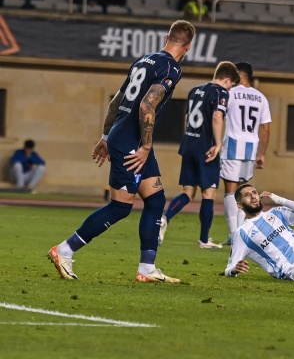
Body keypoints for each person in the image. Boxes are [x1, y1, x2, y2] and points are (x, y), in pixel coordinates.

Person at [48, 20, 196, 283]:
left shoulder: (144, 60)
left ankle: (147, 269)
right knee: (120, 207)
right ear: (189, 46)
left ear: (166, 38)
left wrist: (106, 135)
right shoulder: (172, 68)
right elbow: (147, 104)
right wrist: (146, 145)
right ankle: (64, 250)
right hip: (132, 142)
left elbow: (117, 99)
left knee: (155, 199)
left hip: (124, 136)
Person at [159, 62, 240, 249]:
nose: (229, 89)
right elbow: (217, 117)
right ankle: (204, 240)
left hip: (189, 145)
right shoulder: (221, 92)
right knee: (208, 193)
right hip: (206, 149)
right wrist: (218, 144)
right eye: (231, 85)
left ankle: (164, 218)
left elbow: (187, 118)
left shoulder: (195, 90)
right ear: (227, 79)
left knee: (187, 193)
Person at [220, 62, 271, 246]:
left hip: (233, 146)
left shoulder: (230, 93)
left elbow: (218, 117)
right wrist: (262, 154)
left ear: (238, 75)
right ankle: (240, 233)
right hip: (251, 149)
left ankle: (235, 235)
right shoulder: (261, 98)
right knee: (243, 192)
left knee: (230, 191)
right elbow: (265, 128)